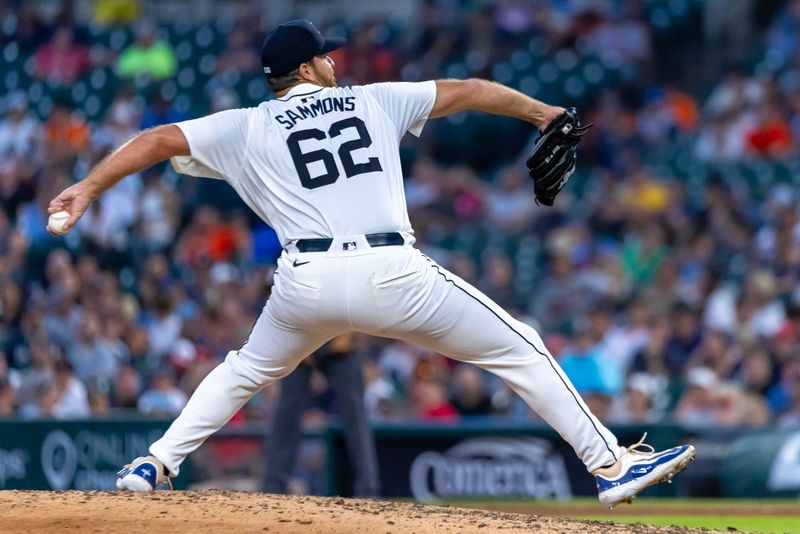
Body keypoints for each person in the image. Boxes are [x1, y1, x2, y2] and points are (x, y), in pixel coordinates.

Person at [48, 19, 693, 508]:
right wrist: (544, 113)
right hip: (391, 272)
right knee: (521, 345)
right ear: (308, 67)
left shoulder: (243, 125)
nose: (333, 61)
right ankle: (611, 465)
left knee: (244, 369)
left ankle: (152, 466)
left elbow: (157, 140)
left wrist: (88, 187)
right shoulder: (372, 99)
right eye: (324, 54)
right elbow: (468, 91)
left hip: (305, 282)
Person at [264, 335, 379, 497]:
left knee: (356, 416)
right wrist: (302, 345)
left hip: (339, 333)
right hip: (303, 336)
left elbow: (359, 310)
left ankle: (368, 491)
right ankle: (273, 487)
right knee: (286, 413)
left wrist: (348, 332)